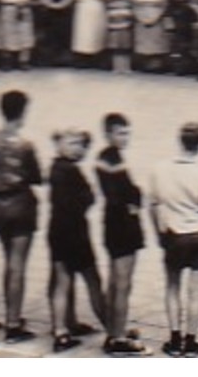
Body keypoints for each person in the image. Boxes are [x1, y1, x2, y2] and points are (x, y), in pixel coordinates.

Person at [148, 121, 198, 358]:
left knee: (172, 286)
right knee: (196, 290)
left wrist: (159, 232)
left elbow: (153, 205)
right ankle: (191, 341)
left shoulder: (161, 169)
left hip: (174, 235)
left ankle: (174, 337)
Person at [0, 90, 43, 342]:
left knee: (9, 260)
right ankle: (13, 321)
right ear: (23, 112)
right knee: (17, 265)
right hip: (20, 205)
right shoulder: (25, 144)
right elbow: (37, 177)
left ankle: (11, 314)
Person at [47, 128, 112, 352]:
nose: (78, 147)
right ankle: (113, 327)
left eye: (81, 144)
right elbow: (86, 199)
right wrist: (89, 196)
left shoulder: (56, 168)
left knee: (62, 282)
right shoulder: (71, 171)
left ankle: (61, 330)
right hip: (74, 233)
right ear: (60, 144)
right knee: (93, 280)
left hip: (57, 231)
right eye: (73, 142)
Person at [95, 113, 149, 356]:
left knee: (115, 281)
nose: (125, 137)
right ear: (108, 134)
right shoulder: (115, 161)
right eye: (120, 133)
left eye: (127, 133)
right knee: (123, 283)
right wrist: (135, 202)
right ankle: (117, 339)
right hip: (124, 227)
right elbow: (127, 195)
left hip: (111, 225)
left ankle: (114, 330)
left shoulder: (105, 158)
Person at [0, 0, 38, 72]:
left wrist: (22, 1)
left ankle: (23, 61)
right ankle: (7, 62)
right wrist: (14, 0)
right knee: (7, 35)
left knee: (25, 35)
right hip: (8, 9)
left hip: (23, 9)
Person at [37, 0, 76, 68]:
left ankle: (66, 60)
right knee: (51, 35)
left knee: (65, 34)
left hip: (65, 10)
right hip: (50, 11)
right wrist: (51, 5)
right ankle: (52, 60)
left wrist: (62, 5)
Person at [131, 0, 171, 73]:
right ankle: (145, 65)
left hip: (156, 16)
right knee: (144, 41)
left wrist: (156, 18)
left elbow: (164, 6)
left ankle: (157, 66)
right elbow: (134, 6)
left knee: (157, 41)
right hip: (141, 17)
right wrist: (140, 17)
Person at [68, 0, 108, 68]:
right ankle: (83, 61)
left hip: (96, 9)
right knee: (83, 34)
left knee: (96, 33)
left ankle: (97, 60)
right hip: (82, 10)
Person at [103, 0, 136, 76]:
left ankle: (127, 67)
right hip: (113, 14)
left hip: (125, 13)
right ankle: (116, 67)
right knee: (115, 42)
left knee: (125, 42)